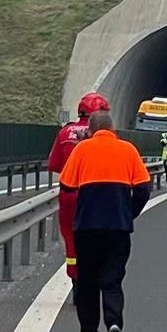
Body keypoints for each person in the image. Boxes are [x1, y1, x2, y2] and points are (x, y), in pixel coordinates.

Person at [56, 110, 151, 332]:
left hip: (87, 228)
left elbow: (66, 185)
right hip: (118, 228)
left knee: (87, 283)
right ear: (113, 129)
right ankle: (114, 325)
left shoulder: (82, 150)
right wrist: (128, 214)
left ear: (90, 130)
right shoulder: (128, 150)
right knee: (112, 281)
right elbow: (143, 188)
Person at [46, 92, 110, 284]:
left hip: (69, 193)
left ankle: (75, 277)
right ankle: (93, 274)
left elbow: (54, 164)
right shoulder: (103, 137)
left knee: (70, 236)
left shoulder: (65, 132)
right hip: (95, 195)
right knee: (97, 236)